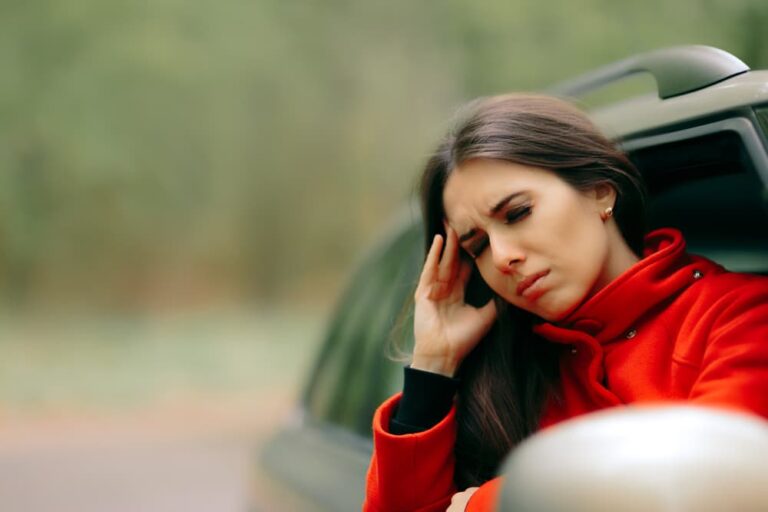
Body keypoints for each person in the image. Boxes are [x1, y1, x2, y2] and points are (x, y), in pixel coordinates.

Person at [362, 93, 768, 512]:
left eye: (517, 213)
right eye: (478, 245)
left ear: (599, 190)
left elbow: (706, 484)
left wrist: (483, 505)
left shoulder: (740, 316)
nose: (502, 257)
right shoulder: (510, 370)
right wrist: (435, 363)